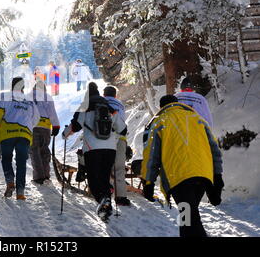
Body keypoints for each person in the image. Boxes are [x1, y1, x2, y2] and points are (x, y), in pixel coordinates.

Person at [141, 94, 224, 237]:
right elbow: (215, 150)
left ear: (162, 107)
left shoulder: (160, 122)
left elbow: (151, 155)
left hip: (179, 178)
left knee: (190, 218)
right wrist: (217, 177)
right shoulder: (198, 120)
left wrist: (148, 182)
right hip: (203, 176)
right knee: (187, 217)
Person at [62, 82, 127, 222]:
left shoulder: (85, 107)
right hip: (110, 149)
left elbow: (76, 125)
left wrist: (64, 134)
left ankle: (103, 200)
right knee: (104, 177)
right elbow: (123, 129)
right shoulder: (109, 108)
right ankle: (106, 206)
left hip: (92, 149)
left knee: (93, 179)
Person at [0, 77, 40, 200]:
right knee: (21, 163)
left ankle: (10, 182)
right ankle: (20, 193)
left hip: (7, 134)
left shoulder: (4, 96)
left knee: (6, 159)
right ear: (23, 87)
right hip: (24, 135)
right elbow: (36, 119)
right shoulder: (29, 101)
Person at [103, 85, 131, 206]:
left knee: (105, 166)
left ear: (104, 94)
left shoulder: (100, 102)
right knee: (119, 168)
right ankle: (121, 197)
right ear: (115, 95)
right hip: (120, 138)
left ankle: (106, 192)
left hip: (104, 138)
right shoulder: (120, 105)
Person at [29, 81, 60, 185]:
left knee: (35, 152)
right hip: (46, 128)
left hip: (33, 128)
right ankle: (46, 175)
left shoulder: (28, 97)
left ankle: (39, 177)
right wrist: (56, 126)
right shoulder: (48, 97)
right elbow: (52, 113)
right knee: (44, 151)